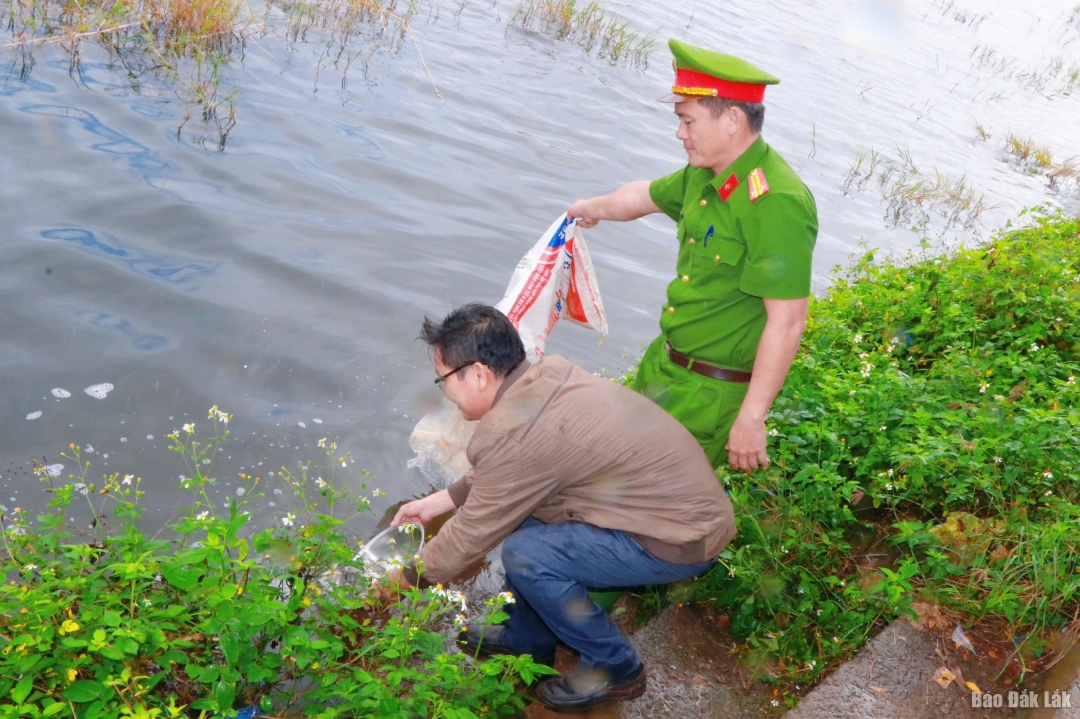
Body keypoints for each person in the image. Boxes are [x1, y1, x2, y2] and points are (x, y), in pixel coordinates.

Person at [386, 303, 736, 712]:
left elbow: (469, 536)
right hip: (679, 513)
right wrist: (439, 501)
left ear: (478, 374)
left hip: (678, 541)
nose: (442, 390)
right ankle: (525, 639)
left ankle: (616, 667)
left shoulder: (514, 431)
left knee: (527, 554)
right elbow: (513, 473)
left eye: (442, 378)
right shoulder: (546, 376)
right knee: (526, 518)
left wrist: (403, 580)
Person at [568, 39, 818, 472]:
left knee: (652, 509)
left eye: (687, 121)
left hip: (710, 397)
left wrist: (751, 418)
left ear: (732, 120)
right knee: (599, 472)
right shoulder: (704, 175)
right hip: (663, 368)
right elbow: (642, 195)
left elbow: (788, 320)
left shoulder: (776, 201)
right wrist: (591, 209)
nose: (679, 134)